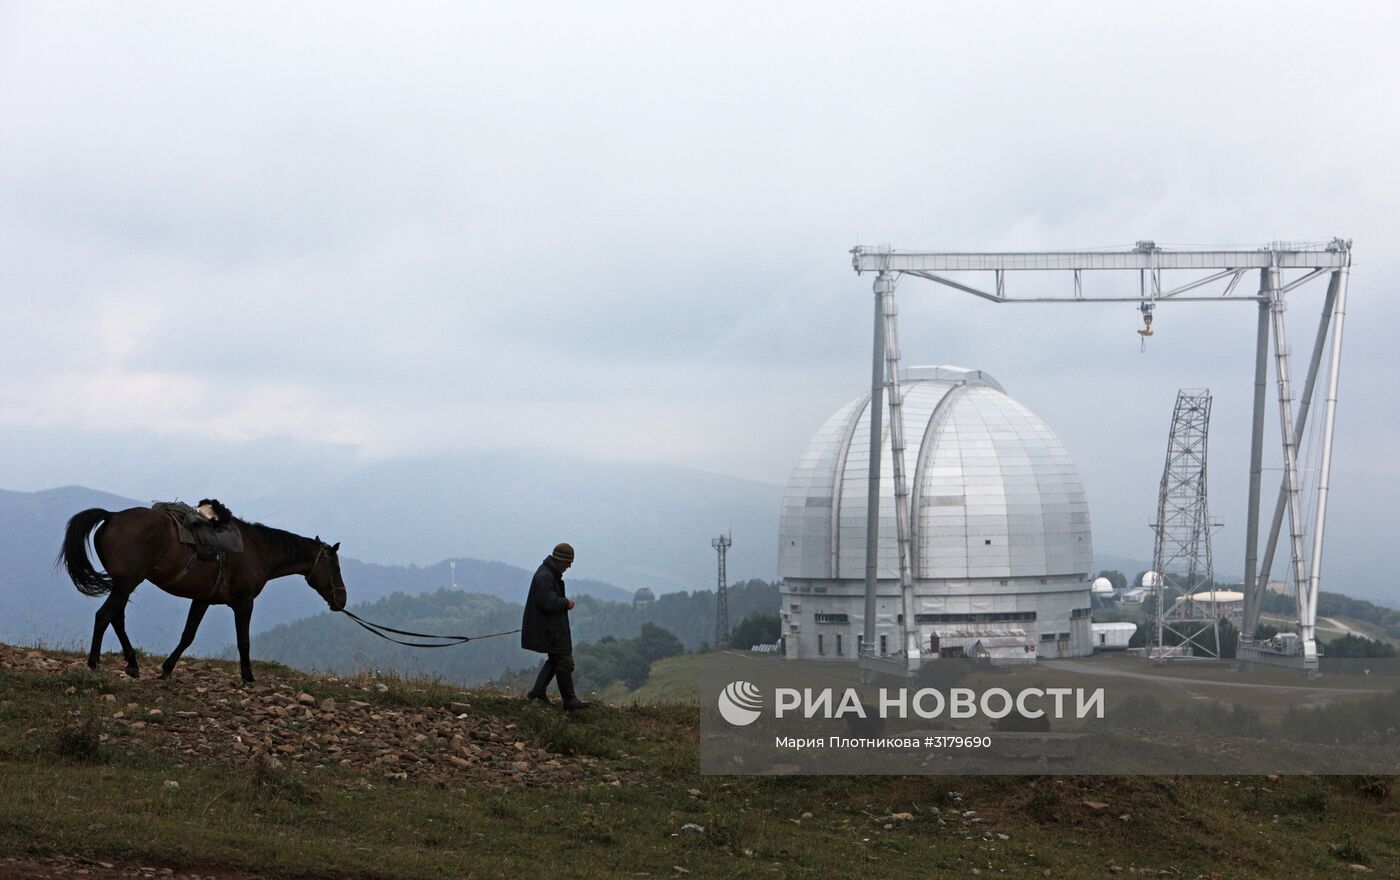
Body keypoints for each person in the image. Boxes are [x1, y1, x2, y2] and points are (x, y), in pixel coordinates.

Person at [520, 542, 590, 711]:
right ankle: (569, 699)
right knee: (564, 659)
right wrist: (566, 602)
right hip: (551, 629)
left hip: (549, 627)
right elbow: (548, 602)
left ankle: (537, 692)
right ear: (560, 560)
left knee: (555, 659)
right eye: (568, 562)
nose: (569, 566)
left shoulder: (547, 573)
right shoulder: (545, 576)